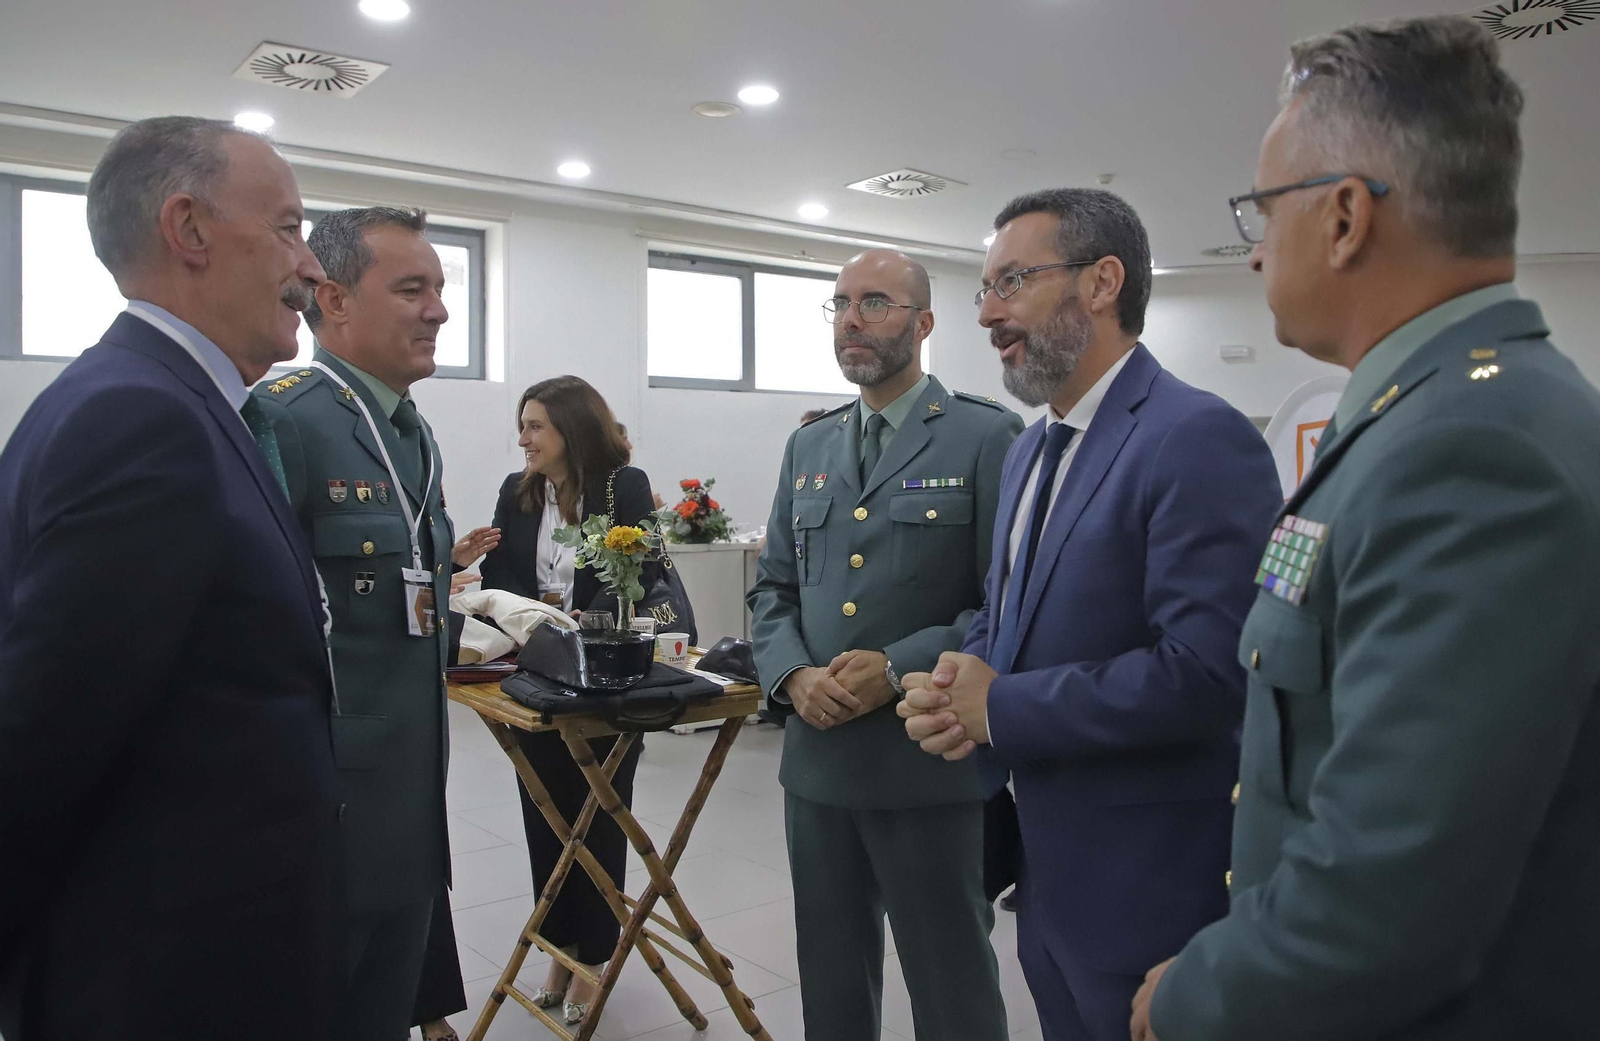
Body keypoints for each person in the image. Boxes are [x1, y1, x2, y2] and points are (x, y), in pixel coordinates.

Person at [1132, 16, 1600, 1041]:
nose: (1255, 253)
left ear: (1345, 216)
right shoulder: (1434, 416)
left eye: (1263, 212)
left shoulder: (1470, 451)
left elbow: (1392, 887)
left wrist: (1200, 995)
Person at [897, 190, 1280, 1041]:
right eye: (985, 289)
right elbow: (1007, 609)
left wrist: (1000, 707)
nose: (988, 313)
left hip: (1153, 890)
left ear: (1103, 282)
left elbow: (1207, 673)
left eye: (1013, 281)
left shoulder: (1195, 436)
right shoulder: (1032, 448)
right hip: (1048, 881)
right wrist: (960, 682)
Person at [0, 116, 340, 1038]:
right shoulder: (141, 419)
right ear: (188, 229)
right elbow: (41, 742)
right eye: (288, 228)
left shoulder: (167, 401)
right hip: (168, 979)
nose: (311, 266)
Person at [747, 248, 1023, 1041]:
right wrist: (792, 674)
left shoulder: (983, 435)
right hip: (819, 765)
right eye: (839, 304)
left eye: (874, 302)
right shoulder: (810, 446)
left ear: (923, 322)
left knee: (951, 983)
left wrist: (898, 666)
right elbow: (772, 589)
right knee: (831, 979)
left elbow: (1004, 604)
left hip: (926, 759)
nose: (851, 320)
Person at [252, 206, 493, 1040]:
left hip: (409, 813)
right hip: (326, 821)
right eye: (412, 288)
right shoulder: (284, 418)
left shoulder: (411, 432)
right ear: (334, 299)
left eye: (439, 288)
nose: (439, 310)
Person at [479, 375, 658, 1025]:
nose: (523, 440)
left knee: (599, 815)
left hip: (604, 674)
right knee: (547, 816)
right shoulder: (517, 491)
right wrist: (527, 614)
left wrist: (591, 614)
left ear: (572, 430)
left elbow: (642, 569)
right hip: (538, 668)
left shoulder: (622, 487)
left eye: (535, 427)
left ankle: (595, 958)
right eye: (522, 426)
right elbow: (500, 576)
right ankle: (559, 947)